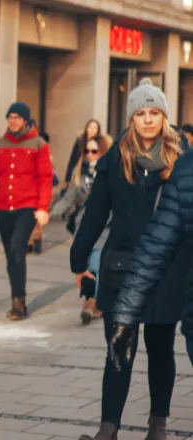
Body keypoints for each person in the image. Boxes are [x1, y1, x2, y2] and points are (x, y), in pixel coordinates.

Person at [70, 78, 189, 440]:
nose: (149, 120)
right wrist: (78, 262)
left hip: (168, 271)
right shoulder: (114, 160)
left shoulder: (182, 160)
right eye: (141, 113)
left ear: (164, 116)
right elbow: (94, 215)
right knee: (117, 351)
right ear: (132, 117)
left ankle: (158, 425)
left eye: (155, 112)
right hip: (122, 271)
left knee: (161, 351)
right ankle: (108, 429)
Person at [0, 102, 54, 320]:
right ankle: (17, 294)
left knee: (16, 249)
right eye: (10, 117)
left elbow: (45, 177)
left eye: (17, 117)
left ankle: (18, 302)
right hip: (3, 207)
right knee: (11, 255)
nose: (13, 121)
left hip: (27, 207)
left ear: (26, 120)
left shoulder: (39, 145)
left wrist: (43, 207)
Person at [50, 135, 110, 325]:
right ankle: (92, 301)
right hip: (84, 224)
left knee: (98, 262)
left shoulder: (110, 171)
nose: (90, 155)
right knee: (85, 263)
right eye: (87, 151)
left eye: (94, 151)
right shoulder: (79, 172)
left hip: (106, 224)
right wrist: (52, 212)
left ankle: (93, 303)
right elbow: (69, 198)